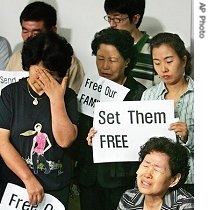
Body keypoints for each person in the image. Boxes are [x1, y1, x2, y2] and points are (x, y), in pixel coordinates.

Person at [0, 31, 79, 209]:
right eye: (38, 71)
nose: (42, 78)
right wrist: (28, 179)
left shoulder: (69, 98)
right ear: (29, 65)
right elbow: (2, 142)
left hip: (56, 187)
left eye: (49, 74)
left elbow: (65, 140)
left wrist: (56, 99)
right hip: (17, 185)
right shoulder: (10, 94)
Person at [71, 28, 146, 210]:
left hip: (122, 180)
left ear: (127, 62)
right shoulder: (89, 88)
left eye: (112, 60)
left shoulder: (140, 94)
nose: (104, 66)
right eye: (100, 58)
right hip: (88, 177)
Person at [140, 32, 194, 195]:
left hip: (192, 180)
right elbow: (138, 137)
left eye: (169, 61)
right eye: (157, 63)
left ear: (184, 60)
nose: (163, 69)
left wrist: (188, 136)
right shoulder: (148, 96)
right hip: (156, 182)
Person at [5, 1, 84, 94]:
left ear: (53, 31)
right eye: (25, 31)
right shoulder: (16, 57)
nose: (29, 37)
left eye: (36, 33)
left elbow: (74, 101)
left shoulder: (71, 64)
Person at [116, 136, 194, 209]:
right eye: (145, 165)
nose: (147, 174)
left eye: (157, 170)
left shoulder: (185, 205)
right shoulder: (128, 198)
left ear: (174, 180)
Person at [103, 0, 159, 88]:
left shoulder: (154, 48)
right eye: (109, 18)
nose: (112, 24)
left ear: (135, 19)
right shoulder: (107, 47)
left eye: (117, 19)